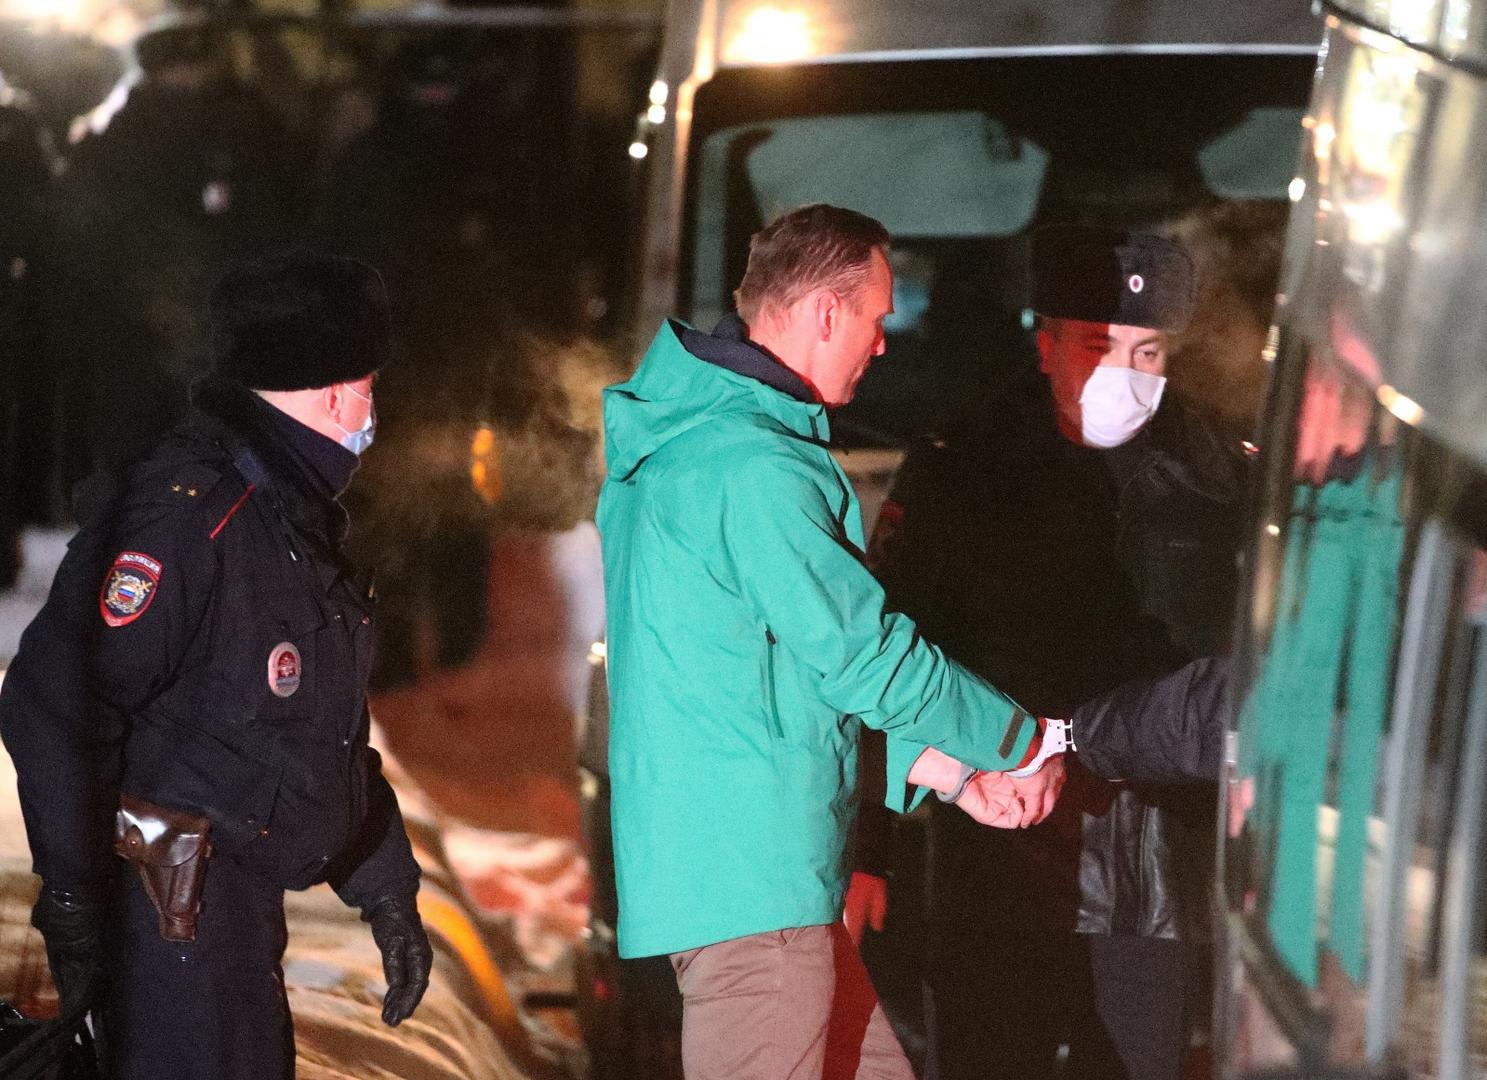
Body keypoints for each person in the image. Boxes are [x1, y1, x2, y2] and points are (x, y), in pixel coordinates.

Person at [596, 204, 1069, 1080]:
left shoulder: (696, 449)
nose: (882, 344)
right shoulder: (751, 467)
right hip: (756, 893)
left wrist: (949, 772)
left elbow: (775, 683)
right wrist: (1016, 740)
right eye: (875, 318)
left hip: (750, 878)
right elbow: (863, 658)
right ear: (824, 313)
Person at [0, 252, 431, 1079]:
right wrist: (74, 895)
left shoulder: (285, 519)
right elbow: (54, 701)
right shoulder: (194, 520)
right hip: (166, 929)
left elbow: (296, 737)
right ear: (335, 390)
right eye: (369, 385)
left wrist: (383, 884)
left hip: (230, 926)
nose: (372, 409)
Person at [870, 224, 1249, 1080]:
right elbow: (884, 660)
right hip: (996, 864)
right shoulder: (959, 472)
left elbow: (1243, 677)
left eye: (1146, 351)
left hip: (1154, 875)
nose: (1122, 372)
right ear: (1044, 346)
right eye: (1095, 345)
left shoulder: (1220, 482)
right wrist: (867, 850)